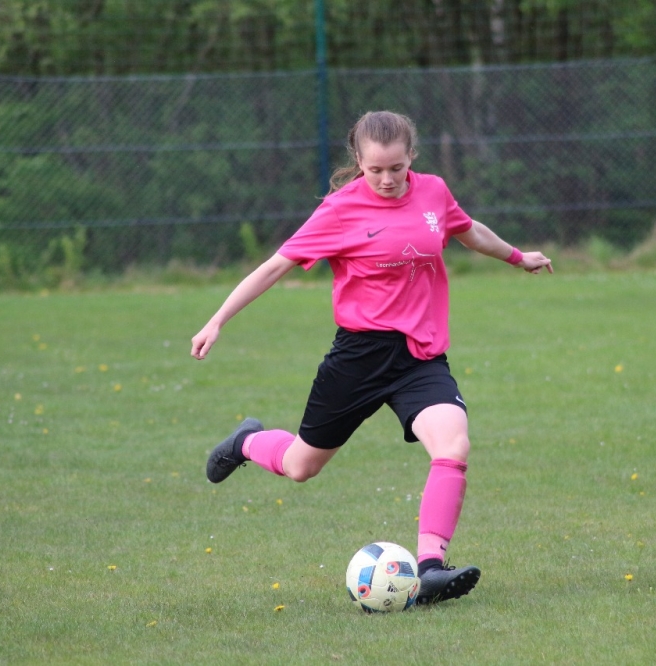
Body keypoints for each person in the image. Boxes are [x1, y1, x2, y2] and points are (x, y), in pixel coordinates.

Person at [191, 110, 553, 604]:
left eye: (397, 168)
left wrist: (517, 256)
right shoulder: (339, 210)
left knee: (453, 446)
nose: (386, 179)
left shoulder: (433, 192)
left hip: (420, 357)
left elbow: (468, 230)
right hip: (358, 358)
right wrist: (217, 319)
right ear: (358, 162)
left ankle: (431, 570)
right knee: (300, 466)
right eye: (375, 169)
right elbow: (275, 267)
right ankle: (247, 442)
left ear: (412, 158)